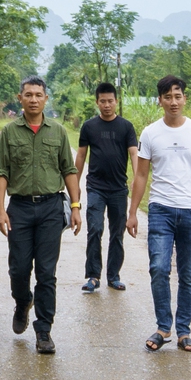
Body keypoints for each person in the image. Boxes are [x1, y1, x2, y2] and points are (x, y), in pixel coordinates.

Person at [127, 74, 191, 353]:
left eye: (178, 95)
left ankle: (184, 331)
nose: (173, 101)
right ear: (160, 100)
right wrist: (133, 211)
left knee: (188, 273)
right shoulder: (150, 133)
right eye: (168, 96)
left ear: (185, 98)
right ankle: (163, 327)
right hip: (160, 209)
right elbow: (141, 175)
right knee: (159, 268)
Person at [0, 76, 81, 354]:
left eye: (38, 95)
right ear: (20, 98)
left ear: (46, 98)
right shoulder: (8, 132)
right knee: (18, 268)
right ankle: (22, 301)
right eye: (28, 95)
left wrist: (76, 207)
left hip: (51, 209)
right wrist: (0, 209)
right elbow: (1, 171)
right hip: (18, 207)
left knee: (46, 271)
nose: (33, 99)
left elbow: (69, 170)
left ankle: (44, 330)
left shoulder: (58, 131)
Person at [76, 81, 138, 293]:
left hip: (118, 189)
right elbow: (81, 156)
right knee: (95, 228)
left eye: (110, 101)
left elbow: (133, 153)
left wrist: (137, 177)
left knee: (117, 233)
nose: (107, 105)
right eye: (102, 101)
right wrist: (74, 184)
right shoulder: (89, 126)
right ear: (97, 102)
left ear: (116, 101)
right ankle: (93, 276)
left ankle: (113, 275)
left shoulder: (126, 127)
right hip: (95, 187)